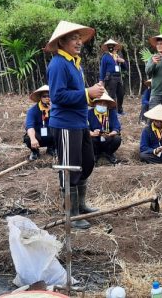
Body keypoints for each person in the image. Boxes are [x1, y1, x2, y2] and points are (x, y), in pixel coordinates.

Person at [45, 21, 105, 229]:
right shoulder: (58, 64)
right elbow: (58, 95)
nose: (79, 42)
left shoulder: (74, 63)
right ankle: (71, 213)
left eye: (79, 38)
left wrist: (90, 94)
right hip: (65, 123)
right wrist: (88, 93)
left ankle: (80, 205)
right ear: (62, 42)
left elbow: (77, 95)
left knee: (86, 162)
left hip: (80, 122)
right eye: (73, 38)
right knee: (69, 167)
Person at [88, 92, 122, 164]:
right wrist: (91, 133)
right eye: (100, 103)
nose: (102, 105)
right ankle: (95, 154)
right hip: (95, 138)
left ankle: (108, 153)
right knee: (89, 138)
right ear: (95, 104)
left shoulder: (111, 112)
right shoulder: (89, 113)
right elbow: (85, 127)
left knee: (117, 138)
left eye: (104, 104)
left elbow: (116, 126)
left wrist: (112, 133)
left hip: (107, 137)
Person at [23, 85, 55, 161]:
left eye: (49, 96)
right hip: (39, 136)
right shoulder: (33, 110)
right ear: (40, 98)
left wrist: (54, 111)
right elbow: (29, 126)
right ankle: (35, 151)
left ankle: (52, 148)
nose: (47, 98)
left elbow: (62, 122)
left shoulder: (56, 109)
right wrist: (33, 139)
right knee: (28, 137)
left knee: (60, 131)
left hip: (51, 134)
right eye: (44, 96)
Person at [99, 39, 127, 114]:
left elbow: (125, 68)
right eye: (109, 46)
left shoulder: (118, 56)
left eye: (112, 46)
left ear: (115, 47)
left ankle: (120, 110)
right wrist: (101, 80)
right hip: (110, 78)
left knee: (121, 94)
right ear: (107, 48)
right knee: (112, 95)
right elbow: (102, 69)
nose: (111, 47)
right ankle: (112, 112)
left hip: (118, 77)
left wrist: (123, 61)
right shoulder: (105, 57)